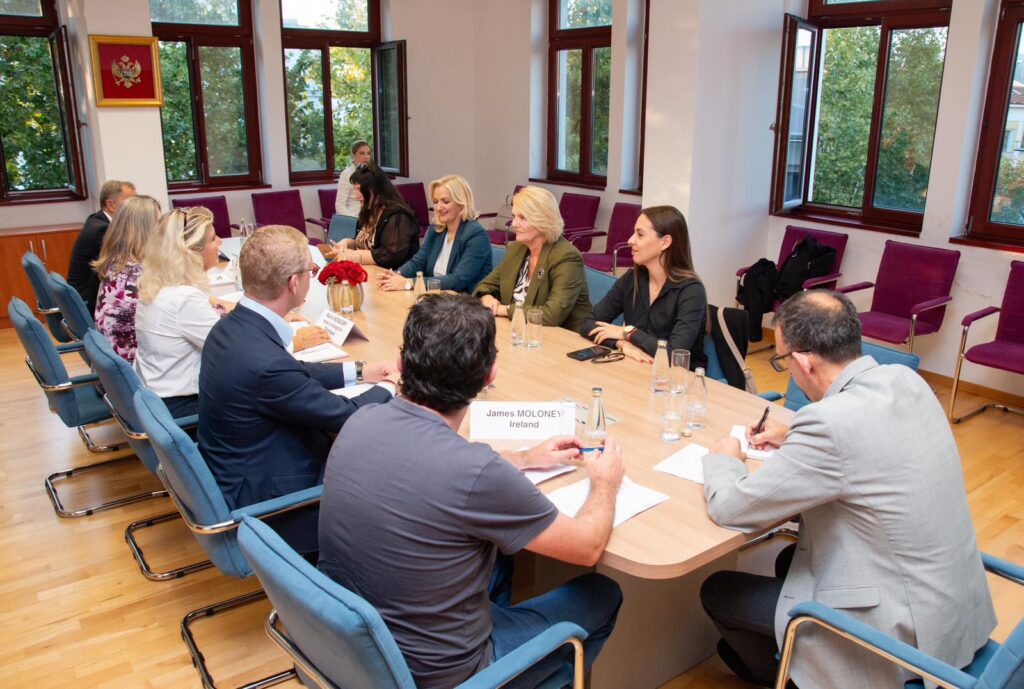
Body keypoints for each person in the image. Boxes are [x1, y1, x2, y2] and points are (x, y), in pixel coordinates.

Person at [319, 293, 623, 689]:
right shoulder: (476, 472)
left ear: (400, 363)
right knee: (602, 594)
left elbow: (437, 468)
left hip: (359, 647)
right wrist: (605, 483)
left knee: (498, 559)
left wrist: (524, 458)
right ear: (489, 375)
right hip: (442, 674)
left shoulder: (363, 419)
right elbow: (587, 547)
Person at [699, 290, 996, 689]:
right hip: (954, 611)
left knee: (719, 591)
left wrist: (726, 459)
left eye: (783, 359)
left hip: (902, 638)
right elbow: (871, 437)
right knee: (789, 560)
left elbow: (731, 508)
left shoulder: (829, 424)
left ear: (804, 362)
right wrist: (793, 436)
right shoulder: (906, 380)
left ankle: (786, 677)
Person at [199, 225, 399, 552]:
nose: (312, 276)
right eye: (310, 270)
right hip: (273, 503)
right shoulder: (264, 362)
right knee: (389, 466)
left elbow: (293, 372)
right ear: (293, 282)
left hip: (242, 468)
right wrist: (393, 385)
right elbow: (345, 415)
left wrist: (359, 370)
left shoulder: (233, 327)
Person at [579, 206, 707, 367]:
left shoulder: (691, 291)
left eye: (640, 234)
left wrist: (628, 333)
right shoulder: (631, 279)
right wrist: (621, 344)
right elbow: (587, 324)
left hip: (676, 378)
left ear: (665, 242)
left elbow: (673, 354)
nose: (630, 240)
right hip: (635, 367)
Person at [134, 207, 225, 418]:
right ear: (192, 251)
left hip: (155, 398)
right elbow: (231, 350)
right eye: (213, 239)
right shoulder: (185, 298)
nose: (220, 241)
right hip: (183, 407)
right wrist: (294, 340)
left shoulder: (158, 285)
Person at [473, 186, 591, 331]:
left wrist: (504, 310)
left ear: (543, 221)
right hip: (520, 331)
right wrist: (487, 298)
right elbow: (485, 285)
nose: (514, 224)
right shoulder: (517, 248)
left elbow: (552, 314)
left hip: (562, 338)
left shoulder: (566, 257)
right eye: (514, 216)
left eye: (522, 218)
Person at [376, 174, 492, 293]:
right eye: (436, 202)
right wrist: (396, 275)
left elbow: (457, 281)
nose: (438, 207)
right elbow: (418, 262)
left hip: (463, 300)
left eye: (445, 201)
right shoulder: (436, 229)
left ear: (461, 203)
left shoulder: (476, 235)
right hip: (436, 296)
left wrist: (408, 282)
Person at [91, 195, 161, 362]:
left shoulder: (118, 264)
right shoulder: (137, 275)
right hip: (135, 367)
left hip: (114, 366)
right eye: (159, 224)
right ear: (146, 231)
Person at [325, 162, 419, 269]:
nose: (356, 196)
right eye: (354, 189)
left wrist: (351, 255)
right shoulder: (369, 211)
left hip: (395, 275)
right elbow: (363, 244)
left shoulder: (398, 216)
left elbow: (389, 256)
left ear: (375, 190)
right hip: (371, 271)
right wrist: (347, 243)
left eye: (359, 189)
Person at [68, 179, 137, 314]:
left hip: (83, 296)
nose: (135, 208)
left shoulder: (96, 219)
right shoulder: (103, 230)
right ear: (110, 205)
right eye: (130, 203)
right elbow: (119, 269)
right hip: (88, 302)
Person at [334, 140, 372, 217]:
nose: (366, 157)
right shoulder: (346, 174)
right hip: (353, 216)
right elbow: (340, 205)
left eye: (368, 153)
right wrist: (353, 220)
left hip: (371, 216)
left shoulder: (373, 173)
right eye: (362, 153)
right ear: (353, 155)